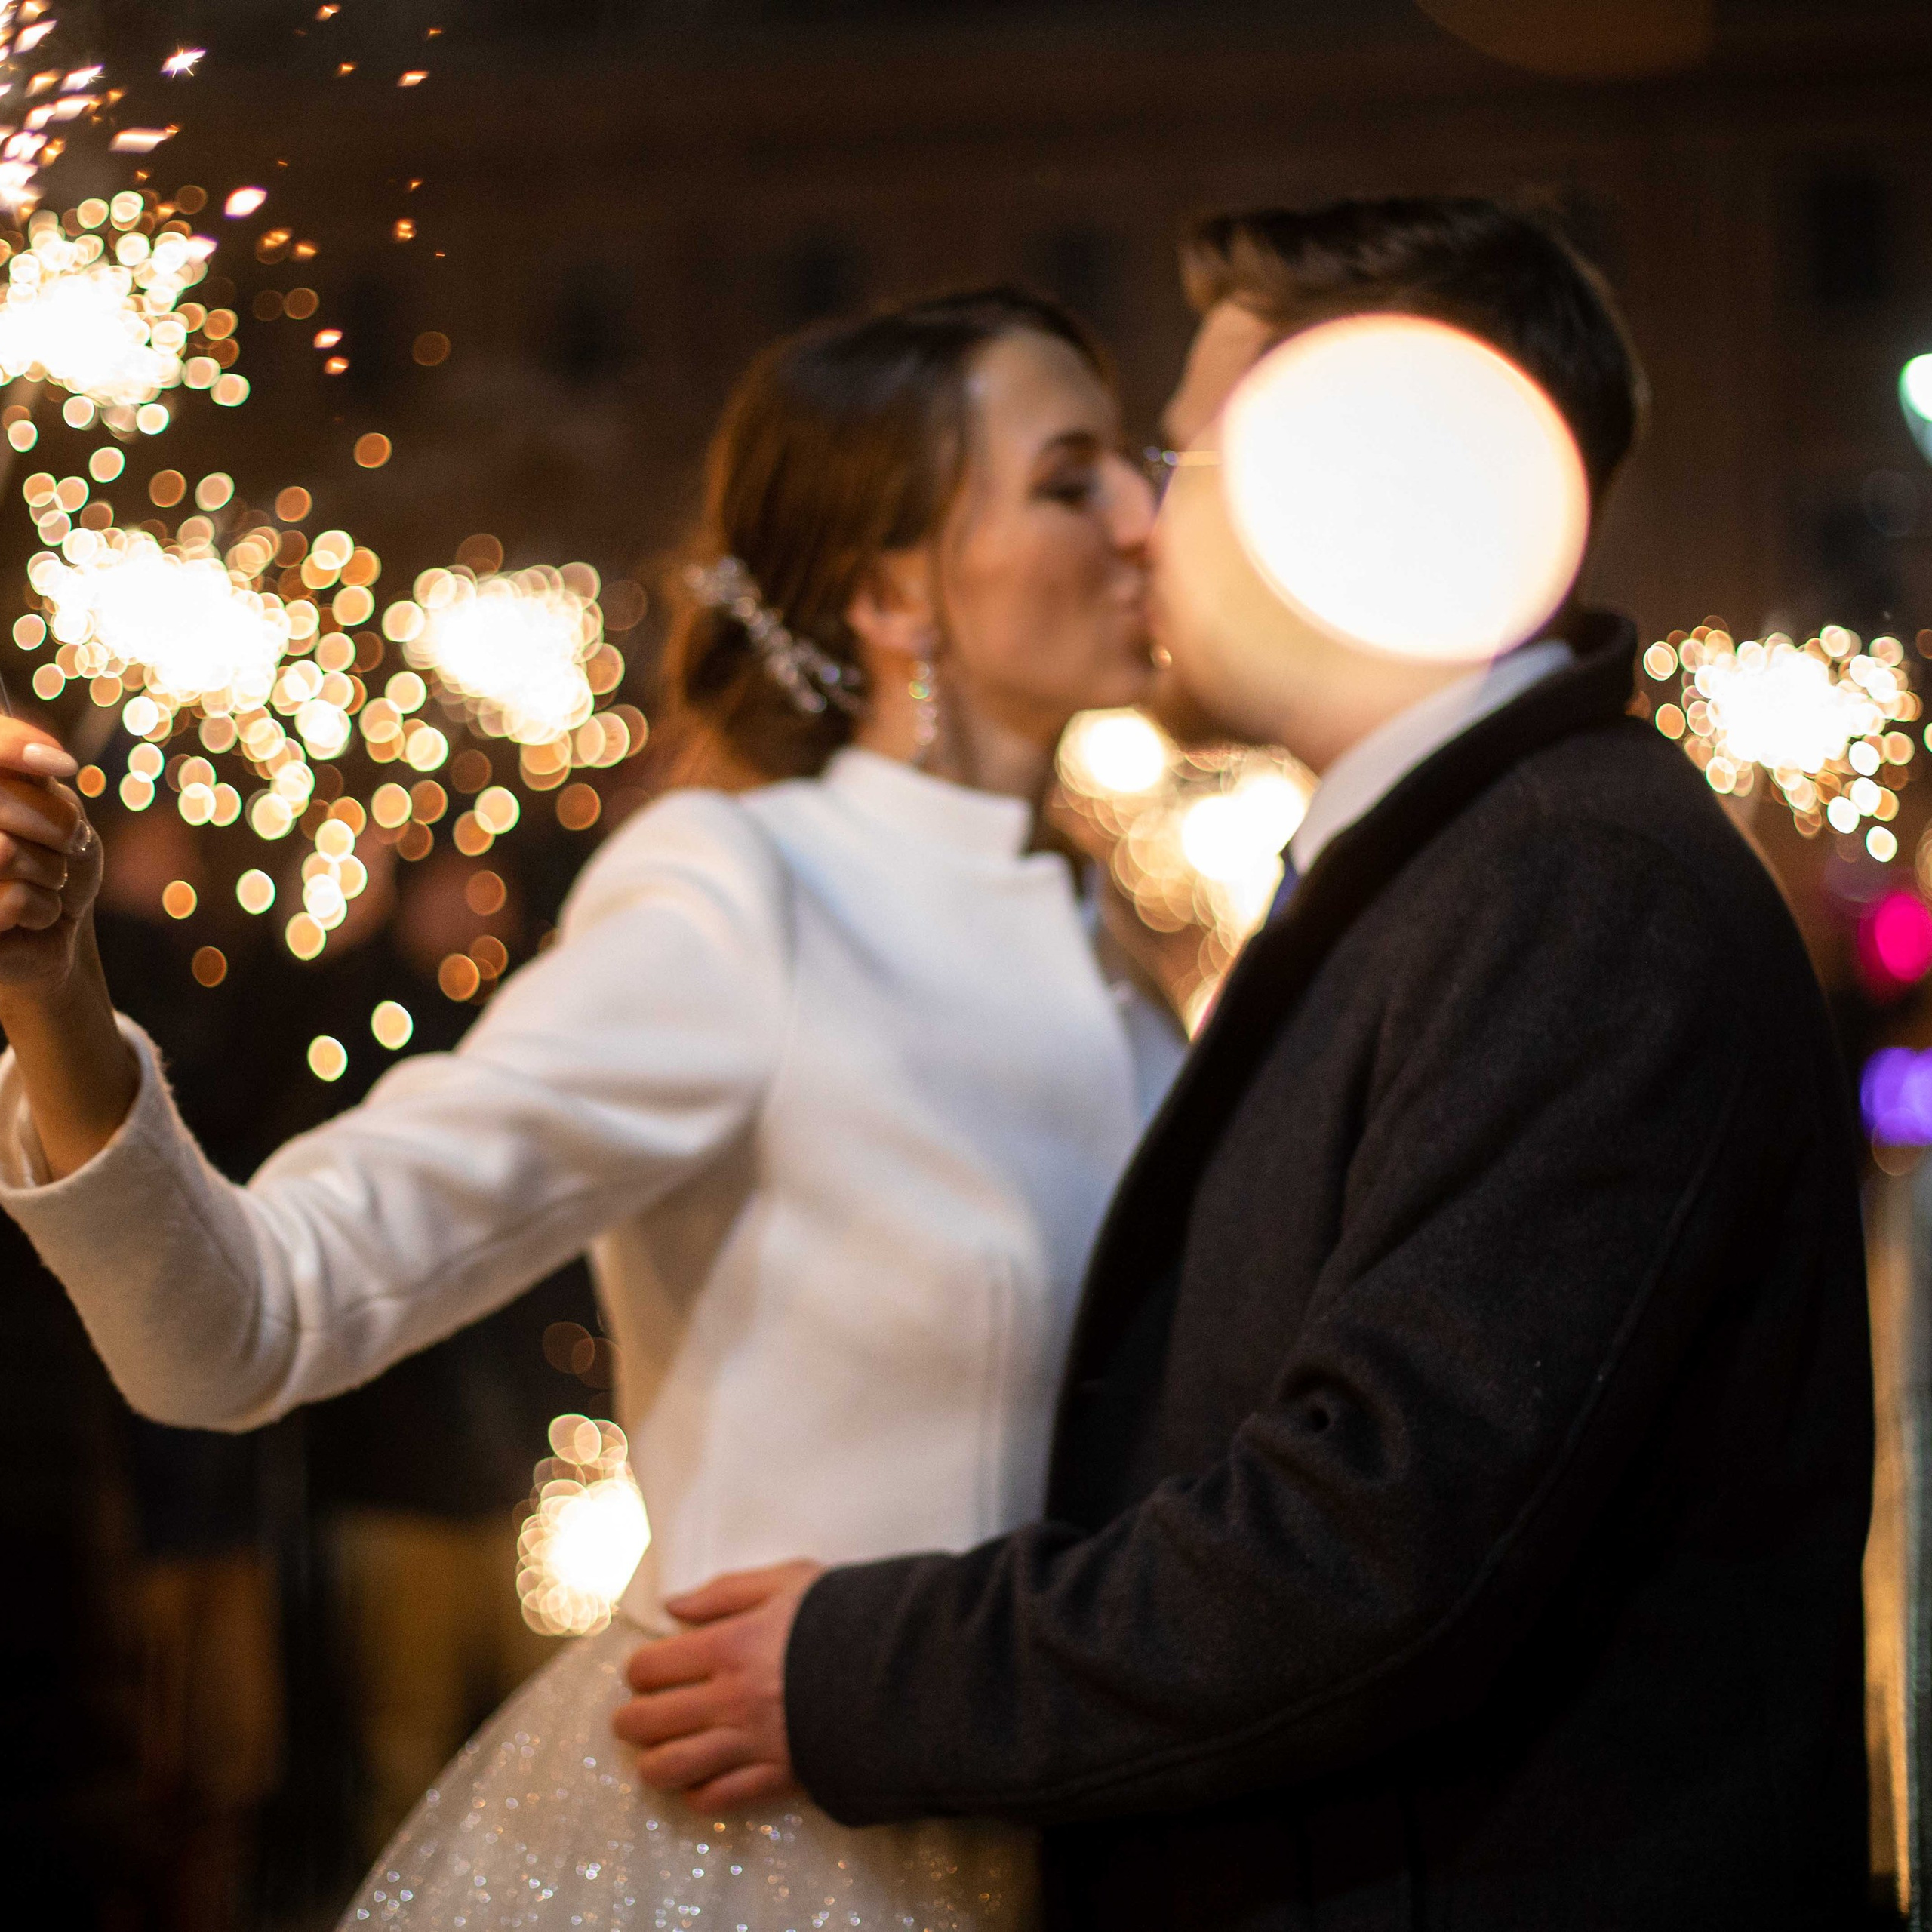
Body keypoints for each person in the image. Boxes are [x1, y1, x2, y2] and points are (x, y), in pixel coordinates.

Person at [614, 200, 1875, 1929]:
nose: (1129, 520)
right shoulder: (1463, 864)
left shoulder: (1568, 886)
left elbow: (1369, 1544)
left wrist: (859, 1671)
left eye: (1181, 462)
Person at [0, 285, 1184, 1930]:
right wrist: (50, 984)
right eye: (1072, 478)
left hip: (1088, 1840)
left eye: (1134, 464)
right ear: (893, 587)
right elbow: (241, 1317)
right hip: (778, 1858)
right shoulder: (738, 889)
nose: (1147, 516)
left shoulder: (1109, 948)